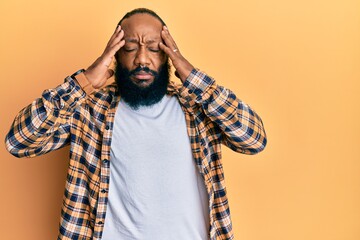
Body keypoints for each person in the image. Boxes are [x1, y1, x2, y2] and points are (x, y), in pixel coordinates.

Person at [5, 8, 267, 240]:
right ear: (116, 55)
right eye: (130, 48)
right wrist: (82, 83)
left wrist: (191, 74)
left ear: (167, 57)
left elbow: (254, 140)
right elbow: (19, 141)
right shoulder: (89, 110)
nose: (142, 58)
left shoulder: (196, 108)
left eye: (154, 48)